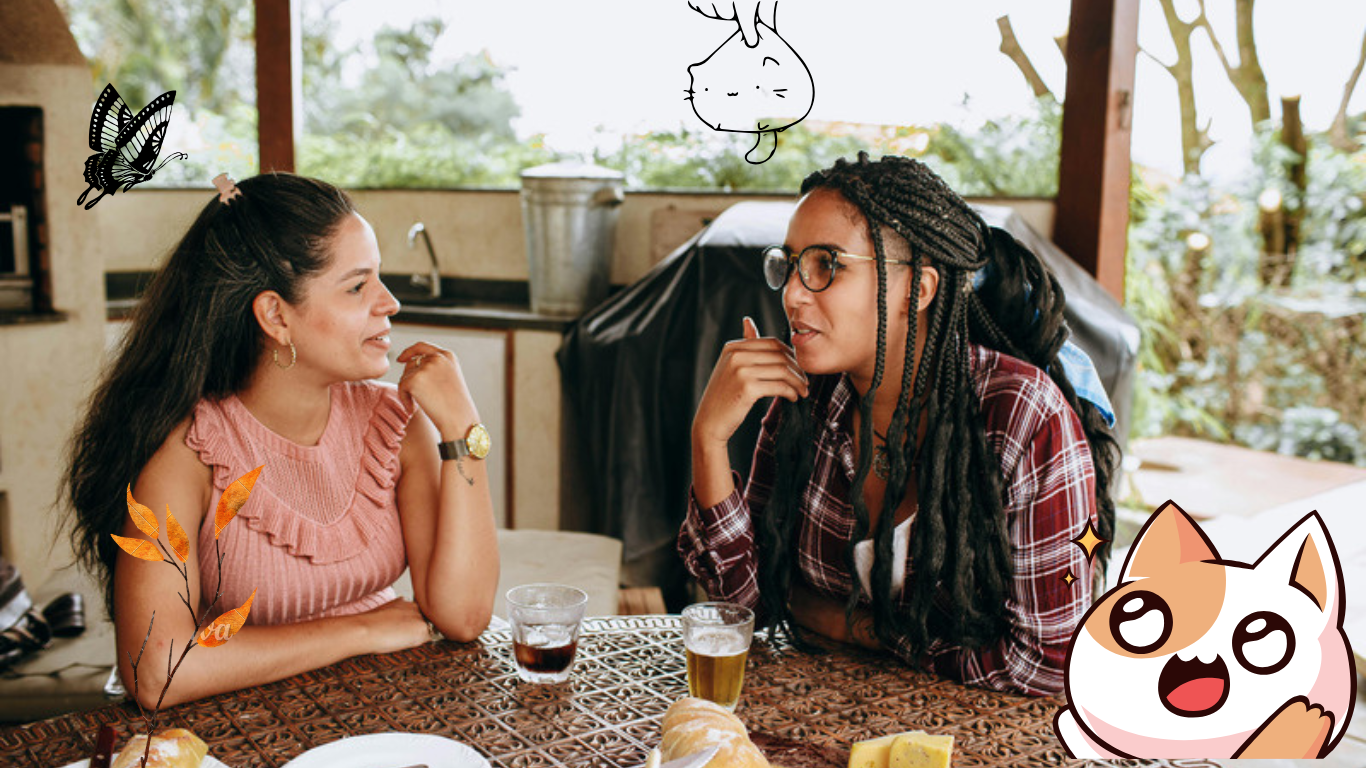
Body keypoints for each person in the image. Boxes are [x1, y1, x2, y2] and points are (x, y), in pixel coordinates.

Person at [680, 153, 1120, 696]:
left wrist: (859, 628)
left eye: (825, 264)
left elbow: (1051, 662)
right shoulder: (806, 401)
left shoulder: (1023, 417)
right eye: (789, 264)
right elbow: (744, 606)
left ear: (919, 289)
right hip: (825, 719)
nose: (793, 292)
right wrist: (709, 437)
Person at [63, 173, 499, 708]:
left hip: (386, 706)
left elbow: (463, 616)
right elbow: (157, 672)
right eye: (358, 286)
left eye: (378, 279)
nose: (389, 304)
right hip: (240, 726)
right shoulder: (190, 454)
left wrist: (463, 432)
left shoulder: (396, 421)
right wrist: (360, 631)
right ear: (275, 315)